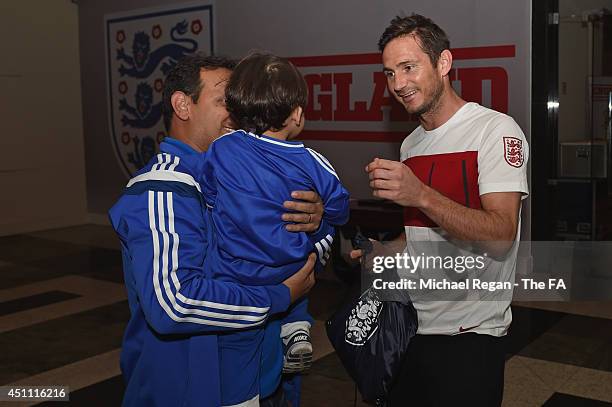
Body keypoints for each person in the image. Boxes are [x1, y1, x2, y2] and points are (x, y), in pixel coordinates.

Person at [108, 54, 326, 407]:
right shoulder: (164, 188)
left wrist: (314, 221)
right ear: (182, 105)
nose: (238, 112)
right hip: (192, 391)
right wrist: (278, 297)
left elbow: (291, 259)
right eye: (225, 100)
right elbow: (174, 305)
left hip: (263, 382)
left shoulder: (246, 176)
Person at [359, 14, 529, 406]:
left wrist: (421, 194)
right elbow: (424, 232)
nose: (398, 84)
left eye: (408, 67)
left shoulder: (495, 130)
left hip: (470, 334)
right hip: (410, 326)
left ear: (443, 63)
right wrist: (383, 252)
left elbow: (502, 235)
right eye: (389, 73)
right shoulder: (411, 145)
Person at [202, 52, 350, 406]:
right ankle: (297, 327)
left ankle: (242, 399)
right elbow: (341, 208)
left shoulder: (221, 149)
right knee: (312, 249)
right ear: (296, 113)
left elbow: (208, 193)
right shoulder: (312, 161)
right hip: (291, 270)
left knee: (238, 360)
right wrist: (325, 210)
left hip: (235, 279)